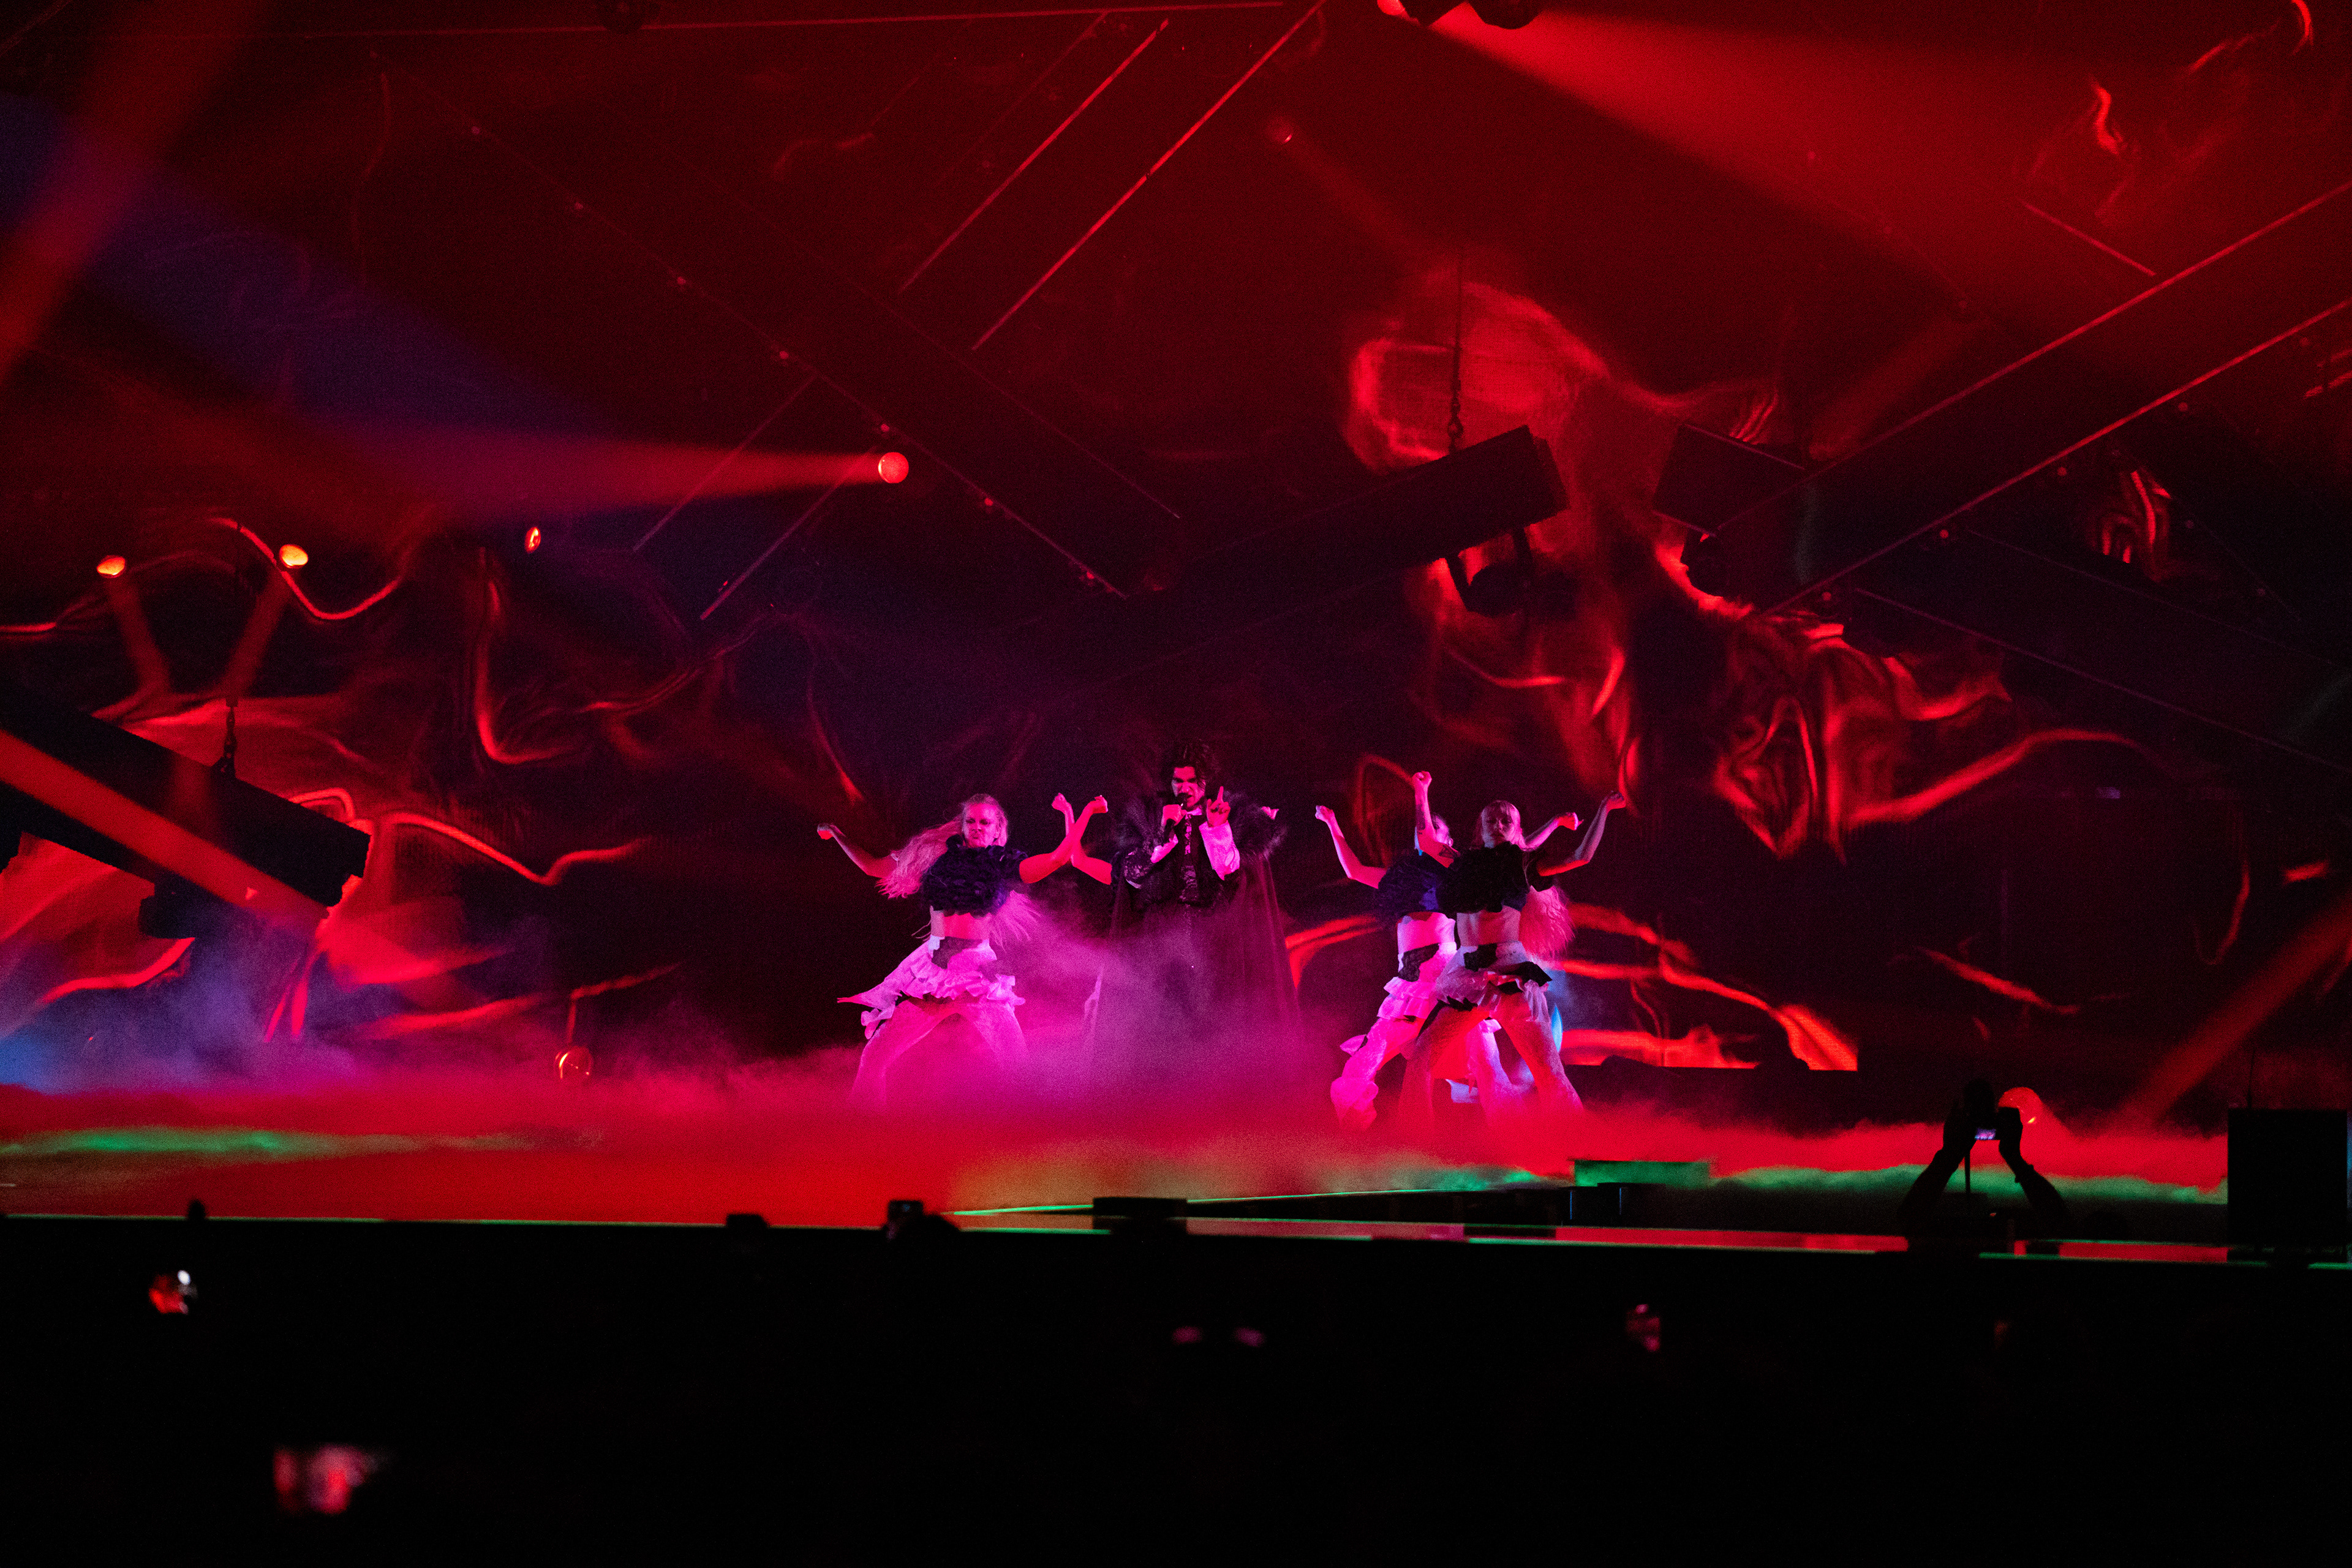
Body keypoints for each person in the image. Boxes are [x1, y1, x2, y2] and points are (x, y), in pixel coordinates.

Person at [821, 791, 1106, 1108]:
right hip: (932, 977)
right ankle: (864, 1129)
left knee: (1019, 1069)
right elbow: (873, 867)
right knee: (874, 1057)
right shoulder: (932, 858)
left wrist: (1081, 813)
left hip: (976, 979)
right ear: (963, 825)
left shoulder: (1002, 864)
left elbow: (1057, 859)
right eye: (971, 821)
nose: (978, 827)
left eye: (985, 822)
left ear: (997, 830)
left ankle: (1034, 1130)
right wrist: (837, 834)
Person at [1400, 790, 1626, 1124]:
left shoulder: (1522, 862)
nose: (1498, 825)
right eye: (1491, 820)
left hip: (1510, 974)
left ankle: (1574, 1139)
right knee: (1422, 1057)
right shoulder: (1461, 863)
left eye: (1506, 821)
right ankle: (1413, 1137)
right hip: (1468, 976)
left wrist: (1604, 809)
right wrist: (1422, 792)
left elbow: (1581, 856)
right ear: (1481, 828)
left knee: (1549, 1071)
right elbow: (1429, 842)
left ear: (1516, 829)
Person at [1093, 739, 1300, 1097]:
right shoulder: (1148, 815)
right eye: (1179, 781)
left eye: (1193, 781)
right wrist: (1161, 834)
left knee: (1214, 1018)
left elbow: (1233, 873)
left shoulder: (1233, 815)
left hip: (1213, 934)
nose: (1185, 788)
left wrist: (1219, 829)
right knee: (1160, 1021)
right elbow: (1131, 877)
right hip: (1161, 934)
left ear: (1206, 783)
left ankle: (1213, 1096)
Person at [1319, 770, 1458, 1129]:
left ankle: (1506, 1118)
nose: (1422, 832)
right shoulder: (1400, 878)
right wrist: (1333, 825)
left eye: (1434, 829)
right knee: (1377, 1050)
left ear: (1447, 841)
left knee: (1467, 1056)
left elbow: (1428, 837)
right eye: (1421, 828)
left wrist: (1421, 791)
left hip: (1439, 973)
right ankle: (1354, 1122)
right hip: (1410, 977)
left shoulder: (1454, 872)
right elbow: (1354, 871)